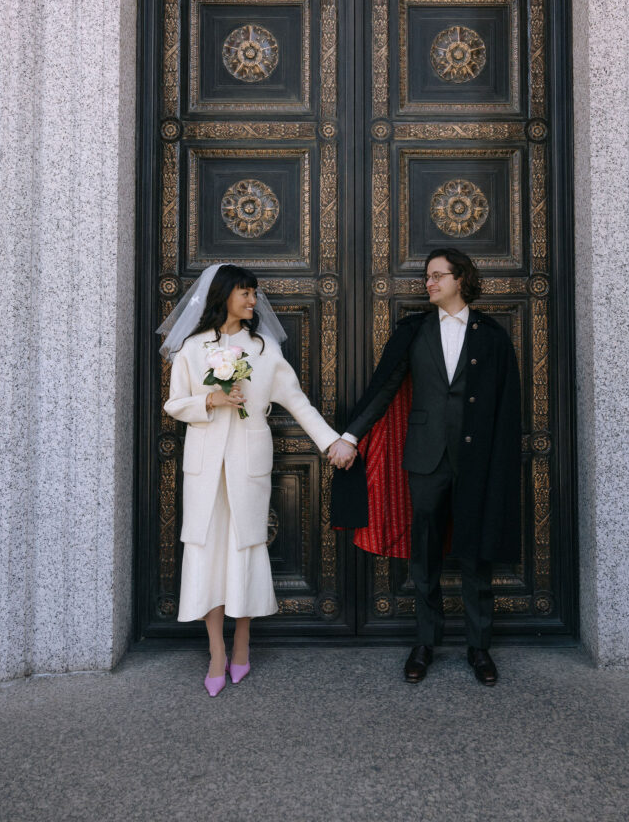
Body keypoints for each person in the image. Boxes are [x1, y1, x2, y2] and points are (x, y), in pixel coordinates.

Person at [330, 248, 521, 685]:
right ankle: (425, 643)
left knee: (475, 554)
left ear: (461, 279)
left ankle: (479, 647)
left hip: (478, 460)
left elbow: (508, 406)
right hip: (425, 457)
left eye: (438, 276)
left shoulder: (492, 335)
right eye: (427, 276)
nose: (428, 283)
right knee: (426, 554)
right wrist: (350, 436)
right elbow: (383, 388)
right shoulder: (413, 332)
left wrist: (501, 462)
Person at [159, 264, 347, 696]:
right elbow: (174, 404)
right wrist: (212, 398)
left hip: (249, 461)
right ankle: (216, 652)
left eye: (254, 292)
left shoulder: (263, 350)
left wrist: (331, 442)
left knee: (245, 547)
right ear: (223, 295)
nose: (253, 300)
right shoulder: (191, 347)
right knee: (206, 550)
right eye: (245, 292)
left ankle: (242, 642)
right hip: (205, 462)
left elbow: (297, 402)